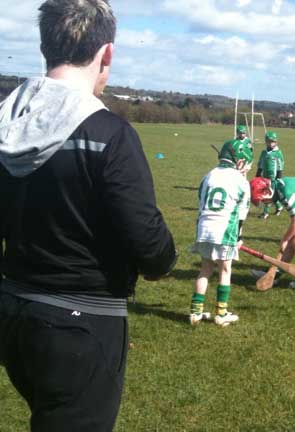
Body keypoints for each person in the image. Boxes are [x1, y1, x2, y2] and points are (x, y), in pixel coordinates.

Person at [0, 1, 176, 431]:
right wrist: (164, 256)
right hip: (81, 326)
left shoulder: (6, 122)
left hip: (13, 311)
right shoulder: (109, 135)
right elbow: (151, 249)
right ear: (107, 53)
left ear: (45, 45)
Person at [190, 139, 253, 327]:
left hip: (203, 229)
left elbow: (200, 200)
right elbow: (242, 213)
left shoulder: (208, 175)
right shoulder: (241, 181)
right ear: (239, 161)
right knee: (225, 270)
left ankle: (195, 312)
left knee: (205, 269)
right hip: (224, 231)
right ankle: (221, 313)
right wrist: (239, 237)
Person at [256, 130, 285, 219]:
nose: (271, 143)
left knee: (267, 194)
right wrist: (258, 173)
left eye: (273, 142)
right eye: (269, 141)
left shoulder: (278, 153)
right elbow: (260, 163)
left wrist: (279, 176)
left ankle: (265, 213)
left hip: (273, 177)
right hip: (264, 176)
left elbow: (280, 164)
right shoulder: (264, 152)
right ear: (266, 142)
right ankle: (279, 207)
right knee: (270, 194)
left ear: (276, 142)